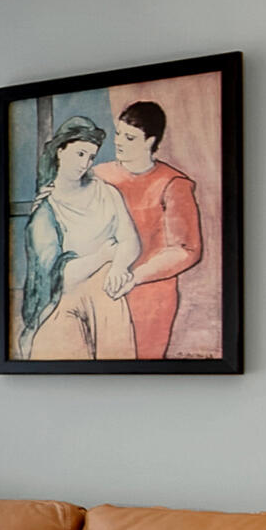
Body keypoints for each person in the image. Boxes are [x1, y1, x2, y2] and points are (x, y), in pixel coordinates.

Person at [20, 116, 140, 361]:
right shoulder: (47, 209)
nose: (85, 163)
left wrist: (118, 265)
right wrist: (104, 256)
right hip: (62, 304)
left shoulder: (106, 192)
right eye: (79, 153)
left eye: (91, 157)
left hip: (108, 297)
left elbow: (130, 240)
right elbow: (58, 278)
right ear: (60, 151)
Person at [94, 99, 203, 360]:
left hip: (148, 296)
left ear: (150, 141)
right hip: (97, 289)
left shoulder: (172, 183)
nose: (119, 142)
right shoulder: (97, 176)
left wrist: (134, 277)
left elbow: (186, 250)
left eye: (130, 137)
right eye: (119, 134)